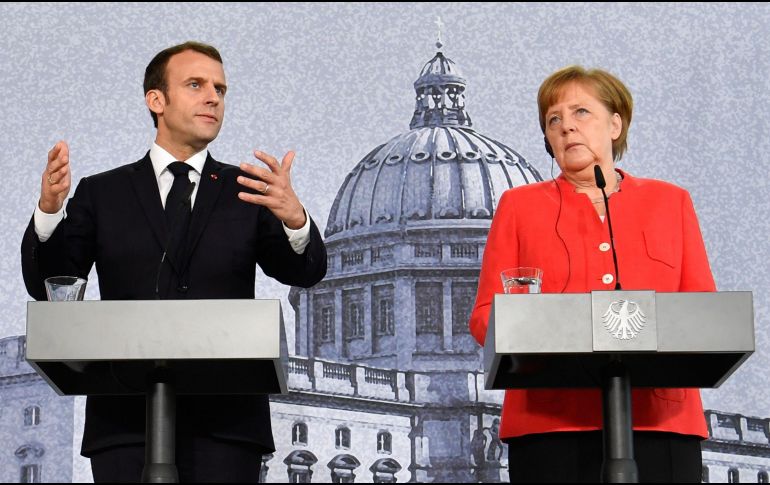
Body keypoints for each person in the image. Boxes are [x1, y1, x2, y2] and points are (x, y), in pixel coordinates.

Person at [21, 41, 327, 482]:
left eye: (221, 89)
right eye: (196, 84)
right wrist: (50, 210)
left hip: (227, 429)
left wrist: (295, 220)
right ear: (156, 100)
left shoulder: (249, 191)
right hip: (124, 425)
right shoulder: (102, 192)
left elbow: (305, 271)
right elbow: (48, 283)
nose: (213, 98)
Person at [469, 65, 715, 483]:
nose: (566, 127)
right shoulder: (519, 206)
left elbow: (703, 313)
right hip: (550, 425)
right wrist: (529, 326)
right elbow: (484, 315)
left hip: (661, 423)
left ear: (615, 124)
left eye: (581, 112)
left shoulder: (670, 202)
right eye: (553, 119)